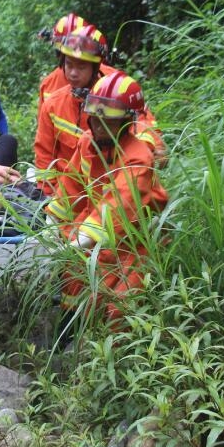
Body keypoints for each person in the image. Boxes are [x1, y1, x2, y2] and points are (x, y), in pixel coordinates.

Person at [43, 70, 169, 328]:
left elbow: (117, 207)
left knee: (118, 306)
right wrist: (51, 222)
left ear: (126, 122)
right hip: (93, 227)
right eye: (96, 118)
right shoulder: (88, 143)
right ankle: (70, 329)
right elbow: (71, 189)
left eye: (108, 121)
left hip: (134, 239)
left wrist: (81, 241)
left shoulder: (138, 157)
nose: (99, 127)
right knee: (74, 279)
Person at [34, 25, 167, 195]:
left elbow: (142, 123)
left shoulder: (116, 90)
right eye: (69, 65)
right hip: (70, 190)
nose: (73, 73)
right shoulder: (53, 104)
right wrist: (49, 196)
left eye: (81, 67)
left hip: (116, 184)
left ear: (95, 68)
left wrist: (149, 149)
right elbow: (44, 155)